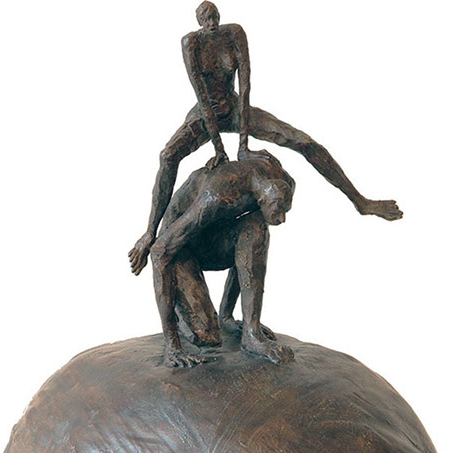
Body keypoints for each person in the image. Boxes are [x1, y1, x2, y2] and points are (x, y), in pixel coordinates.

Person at [130, 1, 403, 271]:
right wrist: (219, 149)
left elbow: (245, 85)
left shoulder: (234, 33)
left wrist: (243, 146)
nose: (212, 23)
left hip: (235, 107)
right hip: (204, 114)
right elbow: (202, 98)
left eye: (215, 17)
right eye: (206, 19)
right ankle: (149, 233)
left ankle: (361, 202)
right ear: (199, 22)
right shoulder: (191, 43)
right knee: (167, 156)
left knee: (303, 142)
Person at [130, 155, 296, 367]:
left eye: (285, 210)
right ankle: (183, 330)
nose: (282, 219)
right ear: (263, 199)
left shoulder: (282, 180)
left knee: (255, 228)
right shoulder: (216, 197)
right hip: (181, 248)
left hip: (211, 239)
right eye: (278, 210)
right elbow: (160, 252)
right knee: (206, 335)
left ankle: (248, 331)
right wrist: (173, 346)